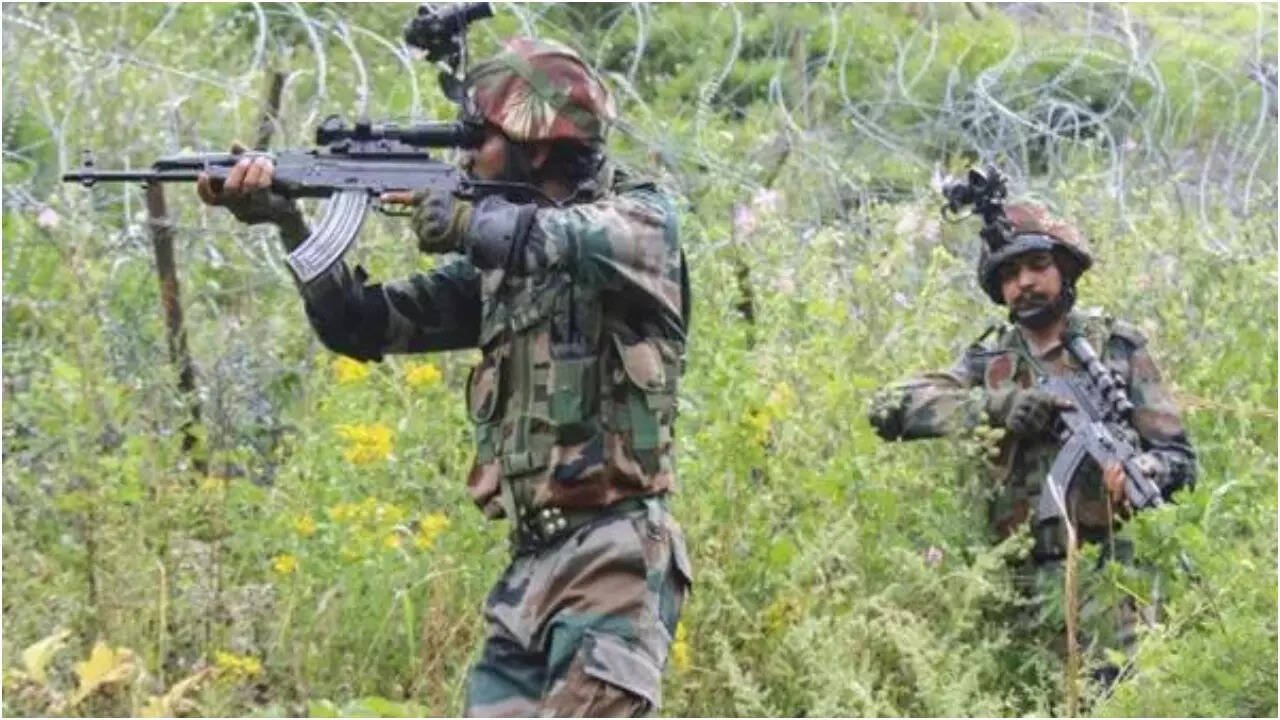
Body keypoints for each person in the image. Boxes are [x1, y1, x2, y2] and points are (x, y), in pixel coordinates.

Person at [196, 37, 692, 717]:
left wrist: (465, 221)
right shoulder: (501, 275)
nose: (464, 157)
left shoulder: (640, 223)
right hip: (530, 568)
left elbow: (553, 237)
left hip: (613, 557)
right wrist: (289, 222)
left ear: (535, 146)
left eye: (477, 139)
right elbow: (360, 325)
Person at [867, 200, 1196, 691]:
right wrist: (996, 407)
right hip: (1015, 587)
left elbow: (1179, 458)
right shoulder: (988, 363)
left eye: (1038, 265)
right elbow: (888, 407)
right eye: (1010, 274)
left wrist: (1145, 470)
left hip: (1112, 581)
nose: (1024, 282)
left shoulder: (1117, 349)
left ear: (1064, 268)